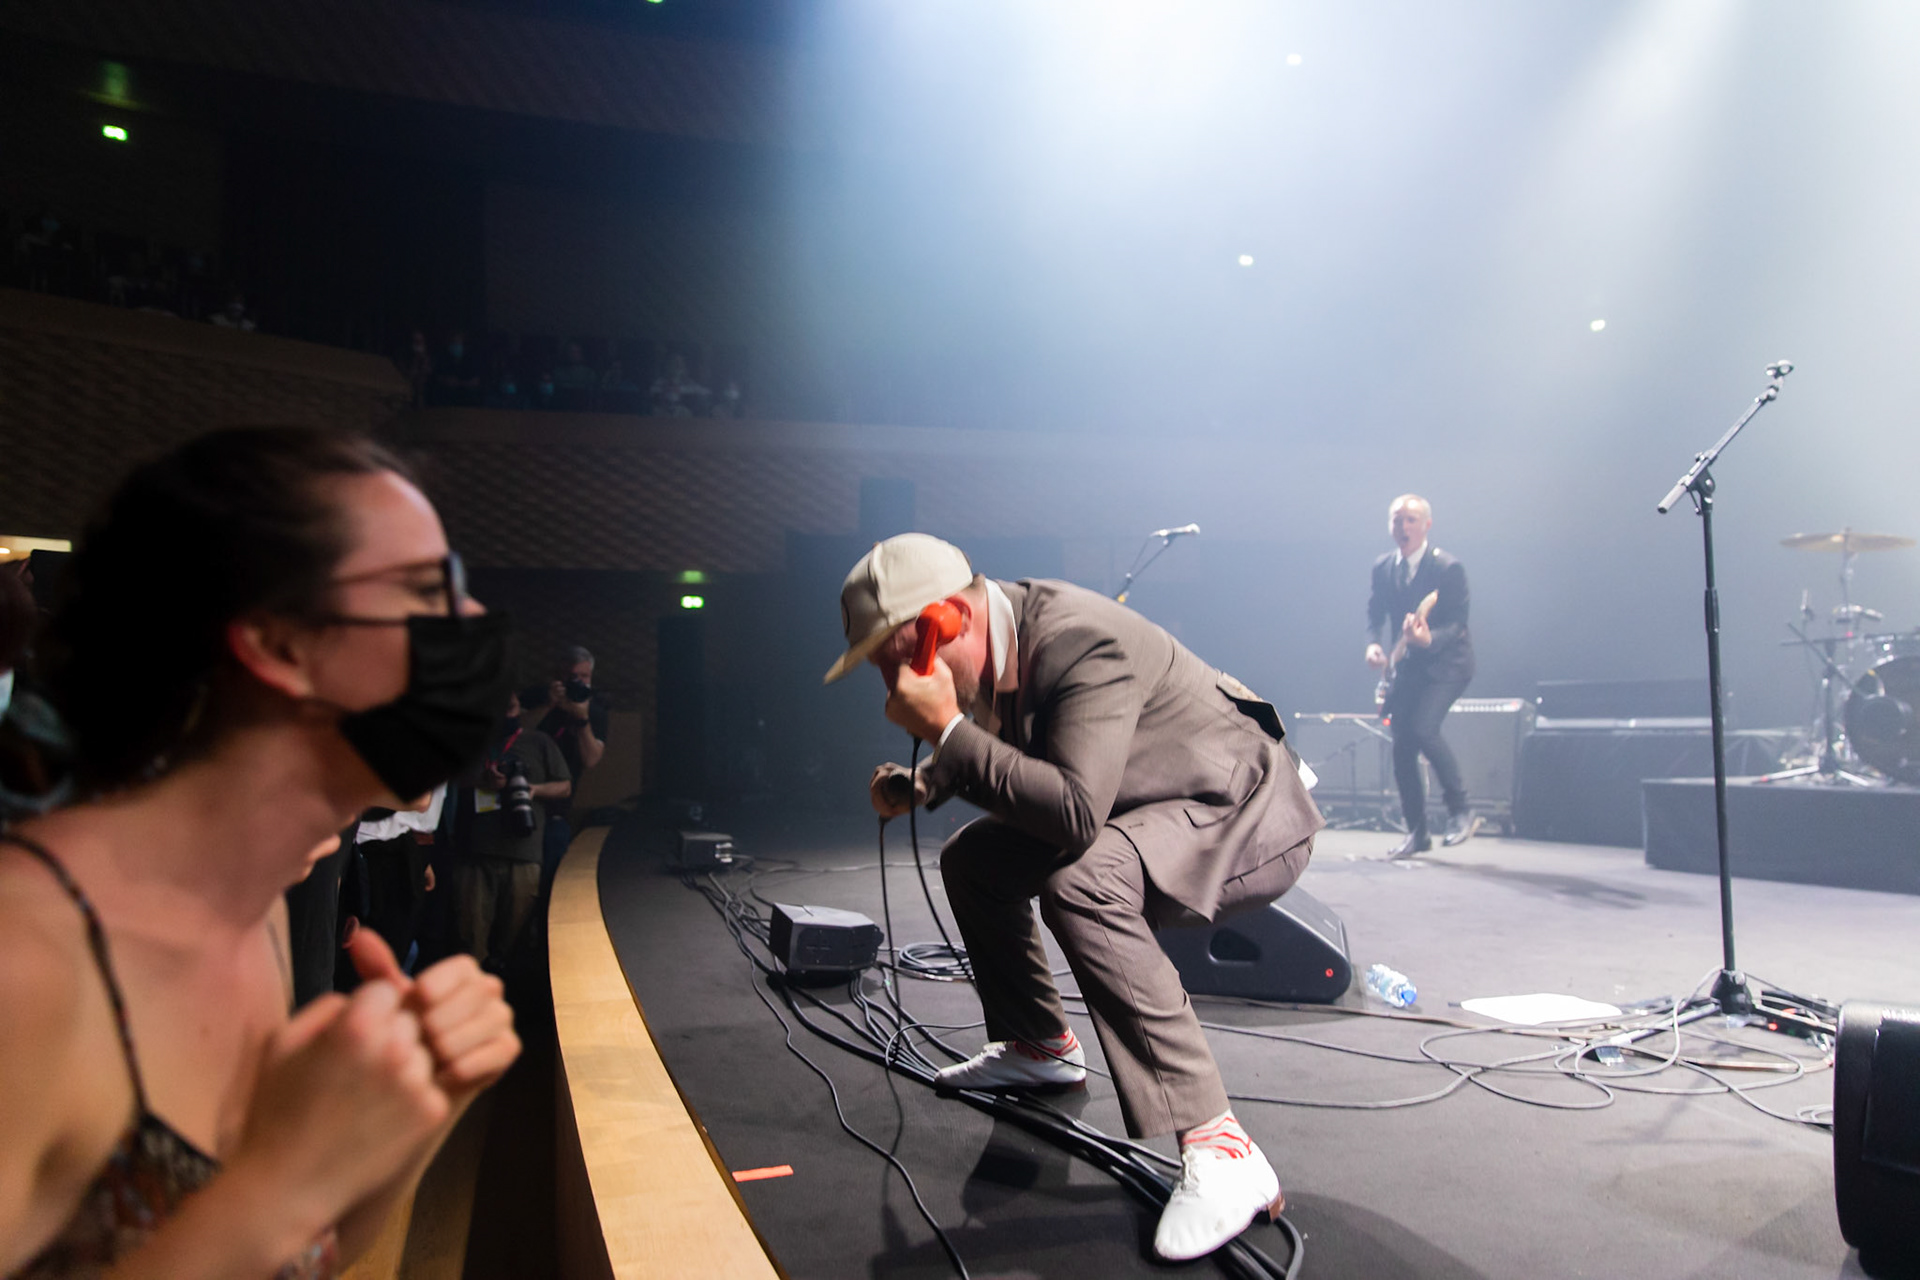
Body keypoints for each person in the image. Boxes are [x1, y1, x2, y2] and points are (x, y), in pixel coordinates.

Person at [0, 426, 521, 1278]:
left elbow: (286, 1256)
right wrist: (282, 1179)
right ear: (279, 645)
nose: (470, 624)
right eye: (427, 591)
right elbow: (265, 1211)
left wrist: (411, 1114)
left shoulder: (261, 918)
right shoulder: (24, 966)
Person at [826, 533, 1323, 1263]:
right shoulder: (997, 637)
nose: (894, 688)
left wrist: (947, 732)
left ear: (945, 623)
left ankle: (1222, 1145)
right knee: (975, 861)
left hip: (1239, 808)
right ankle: (1040, 1045)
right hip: (1140, 793)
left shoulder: (1079, 640)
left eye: (898, 660)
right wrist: (926, 780)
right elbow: (1027, 747)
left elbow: (1073, 813)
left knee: (1083, 885)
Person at [1364, 493, 1477, 857]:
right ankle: (1418, 832)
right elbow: (1375, 612)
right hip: (1410, 666)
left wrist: (1430, 638)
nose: (1403, 527)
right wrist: (1373, 644)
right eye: (1397, 520)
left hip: (1448, 664)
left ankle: (1461, 810)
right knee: (1402, 746)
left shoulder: (1446, 568)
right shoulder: (1383, 567)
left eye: (1411, 520)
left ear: (1426, 525)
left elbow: (1459, 623)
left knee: (1424, 728)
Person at [455, 690, 569, 973]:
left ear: (520, 708)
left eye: (512, 706)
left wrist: (533, 790)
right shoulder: (475, 741)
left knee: (517, 937)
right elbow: (453, 779)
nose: (506, 712)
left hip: (525, 851)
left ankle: (514, 994)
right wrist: (484, 780)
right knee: (470, 935)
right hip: (477, 851)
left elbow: (565, 786)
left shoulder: (538, 741)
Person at [523, 645, 607, 883]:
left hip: (558, 805)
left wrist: (582, 719)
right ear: (558, 676)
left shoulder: (594, 710)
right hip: (518, 794)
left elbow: (591, 759)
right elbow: (513, 733)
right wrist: (548, 705)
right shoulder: (537, 696)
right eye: (572, 677)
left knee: (552, 868)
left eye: (584, 677)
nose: (577, 683)